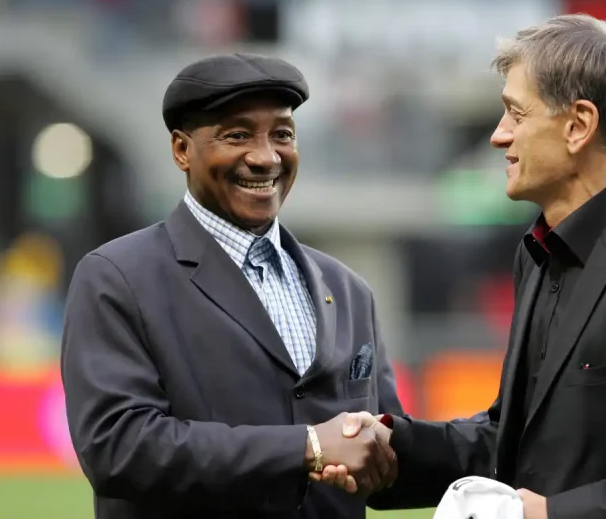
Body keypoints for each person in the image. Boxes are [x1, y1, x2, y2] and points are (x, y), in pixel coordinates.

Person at [321, 14, 606, 519]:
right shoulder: (536, 254)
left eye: (516, 114)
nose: (499, 135)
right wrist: (392, 447)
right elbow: (510, 442)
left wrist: (550, 514)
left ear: (578, 125)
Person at [60, 52, 402, 519]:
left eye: (282, 134)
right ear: (182, 150)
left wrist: (499, 453)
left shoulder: (348, 290)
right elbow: (119, 447)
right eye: (237, 135)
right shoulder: (117, 277)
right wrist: (305, 447)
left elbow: (386, 454)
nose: (265, 157)